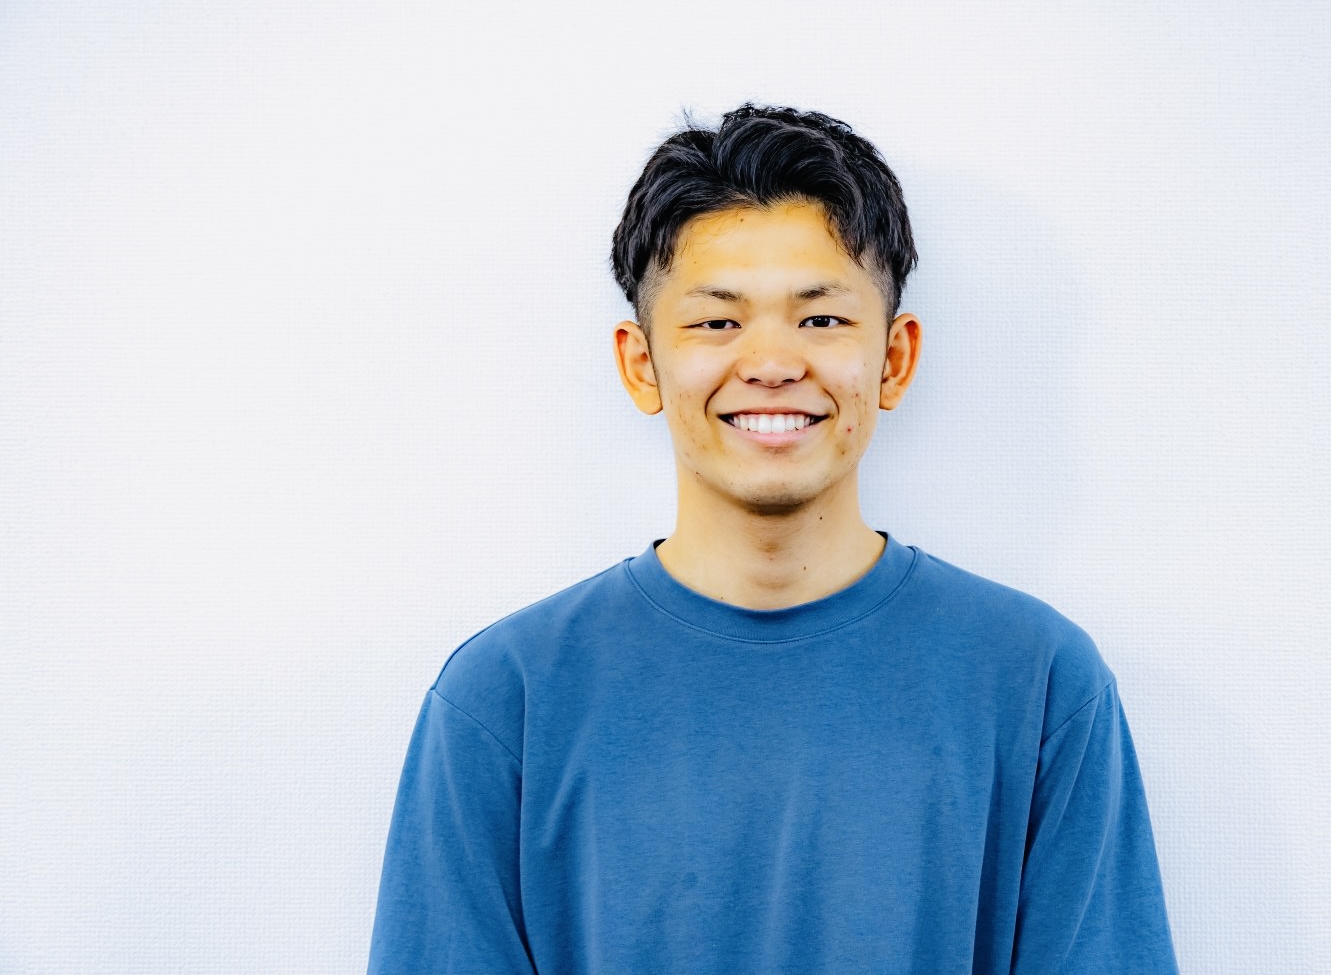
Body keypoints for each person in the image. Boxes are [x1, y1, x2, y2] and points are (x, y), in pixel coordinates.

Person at [367, 104, 1178, 974]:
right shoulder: (507, 698)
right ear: (641, 363)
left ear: (894, 359)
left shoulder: (1037, 680)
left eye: (820, 320)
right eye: (718, 321)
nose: (772, 363)